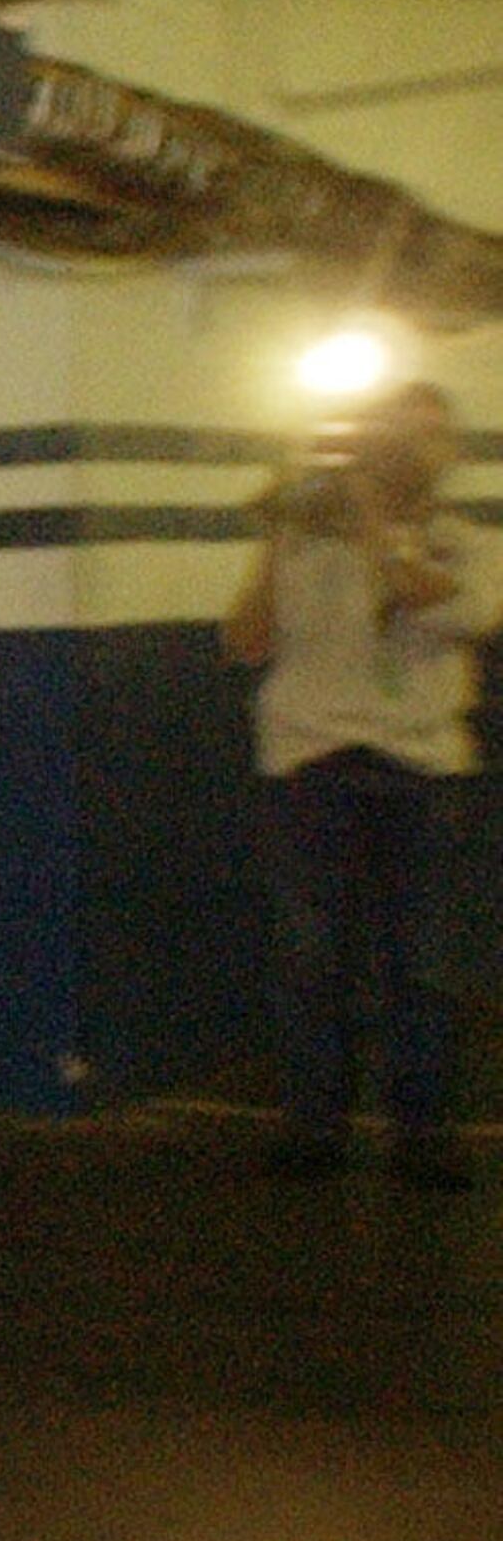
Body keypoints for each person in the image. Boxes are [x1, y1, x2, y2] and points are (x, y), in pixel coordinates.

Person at [223, 378, 502, 1185]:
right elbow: (244, 642)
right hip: (308, 765)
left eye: (428, 437)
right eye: (393, 433)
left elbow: (457, 614)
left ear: (448, 455)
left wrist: (378, 521)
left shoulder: (465, 542)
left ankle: (423, 1133)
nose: (407, 450)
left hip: (420, 769)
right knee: (309, 962)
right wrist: (278, 534)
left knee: (420, 965)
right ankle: (314, 1129)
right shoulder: (305, 542)